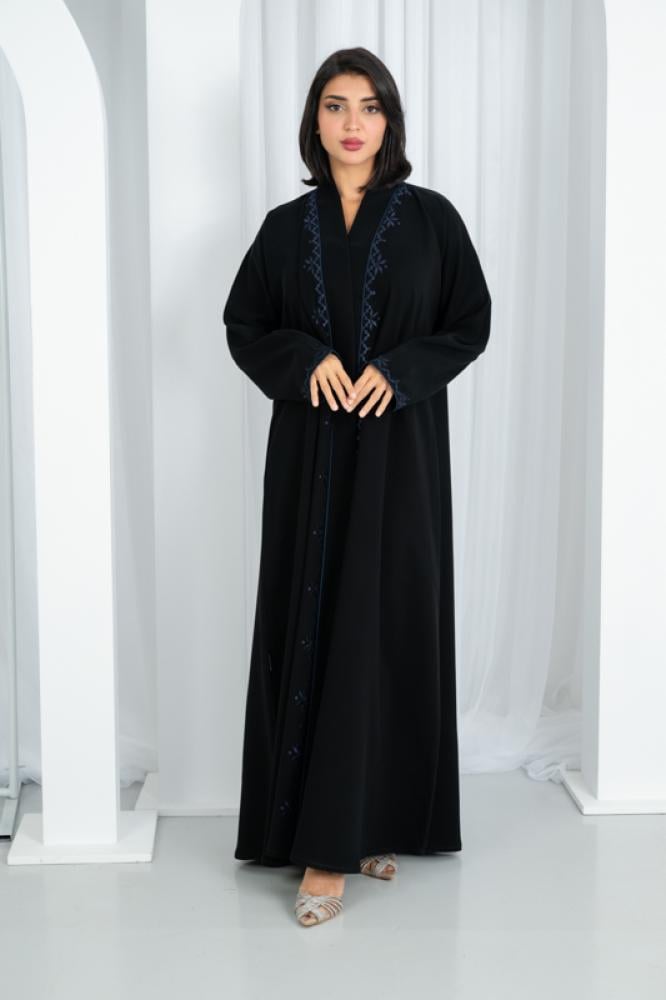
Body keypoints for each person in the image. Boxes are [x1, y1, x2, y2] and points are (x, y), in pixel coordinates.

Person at [223, 46, 492, 928]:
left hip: (399, 457)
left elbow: (470, 321)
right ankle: (323, 846)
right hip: (310, 457)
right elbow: (245, 323)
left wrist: (402, 371)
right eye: (336, 105)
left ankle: (371, 821)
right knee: (315, 617)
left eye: (369, 107)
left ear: (390, 121)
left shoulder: (433, 220)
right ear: (315, 119)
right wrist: (307, 361)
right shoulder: (282, 229)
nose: (352, 123)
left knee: (387, 623)